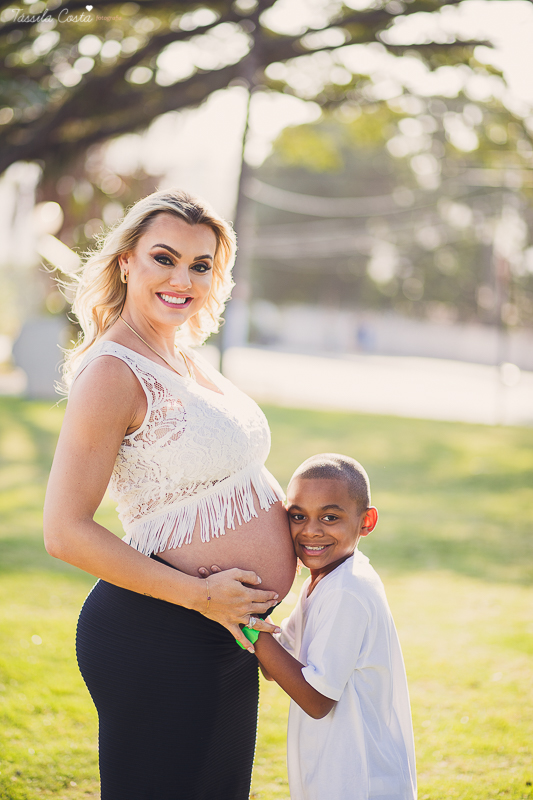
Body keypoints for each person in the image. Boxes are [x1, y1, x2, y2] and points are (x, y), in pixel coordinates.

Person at [43, 188, 297, 800]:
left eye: (201, 265)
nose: (182, 277)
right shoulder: (112, 372)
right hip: (161, 630)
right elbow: (64, 531)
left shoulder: (186, 357)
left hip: (226, 627)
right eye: (164, 258)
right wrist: (202, 595)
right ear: (126, 261)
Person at [253, 453, 417, 800]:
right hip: (334, 776)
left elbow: (316, 699)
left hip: (363, 782)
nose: (311, 530)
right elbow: (276, 664)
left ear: (366, 522)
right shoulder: (323, 581)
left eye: (330, 517)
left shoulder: (348, 591)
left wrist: (243, 622)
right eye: (298, 516)